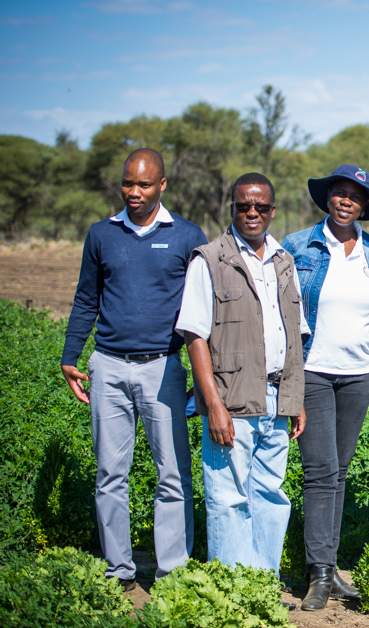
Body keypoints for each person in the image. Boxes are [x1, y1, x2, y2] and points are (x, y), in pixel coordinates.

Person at [61, 148, 205, 588]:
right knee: (110, 474)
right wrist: (70, 355)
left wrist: (204, 378)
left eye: (144, 184)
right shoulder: (101, 234)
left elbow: (201, 309)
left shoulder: (186, 235)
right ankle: (118, 569)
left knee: (174, 474)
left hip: (163, 368)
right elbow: (87, 297)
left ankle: (172, 570)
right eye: (128, 183)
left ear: (162, 185)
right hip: (107, 366)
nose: (134, 192)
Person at [176, 172, 307, 574]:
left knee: (269, 492)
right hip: (231, 398)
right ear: (231, 208)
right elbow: (195, 337)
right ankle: (233, 590)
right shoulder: (209, 260)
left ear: (272, 210)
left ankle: (262, 584)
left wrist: (295, 399)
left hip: (276, 398)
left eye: (260, 207)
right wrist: (211, 404)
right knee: (229, 496)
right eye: (243, 206)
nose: (252, 213)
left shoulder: (284, 261)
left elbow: (294, 334)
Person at [281, 165, 369, 610]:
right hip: (314, 370)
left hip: (361, 373)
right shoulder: (299, 245)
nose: (346, 201)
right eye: (338, 193)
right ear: (327, 198)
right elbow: (283, 311)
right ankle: (320, 574)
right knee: (320, 471)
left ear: (365, 206)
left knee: (339, 472)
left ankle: (330, 567)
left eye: (355, 196)